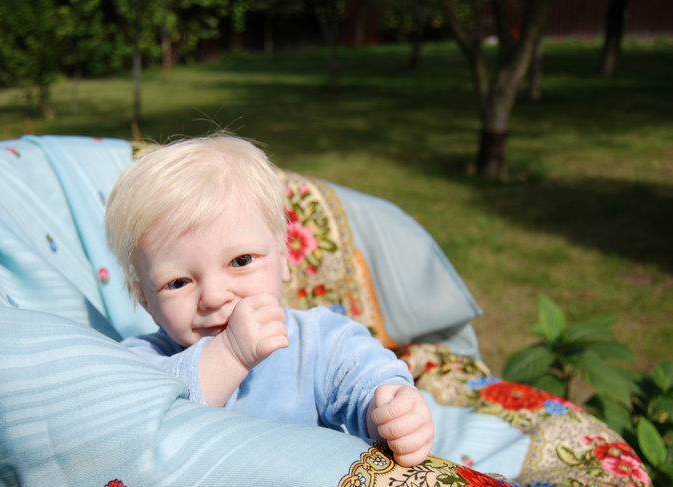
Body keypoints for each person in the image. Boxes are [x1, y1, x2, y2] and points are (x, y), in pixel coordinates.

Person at [104, 134, 434, 467]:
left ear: (284, 256)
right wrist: (231, 354)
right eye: (177, 282)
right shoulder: (141, 363)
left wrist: (393, 410)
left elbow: (364, 376)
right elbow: (143, 429)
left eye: (240, 261)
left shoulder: (317, 342)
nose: (214, 297)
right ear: (146, 302)